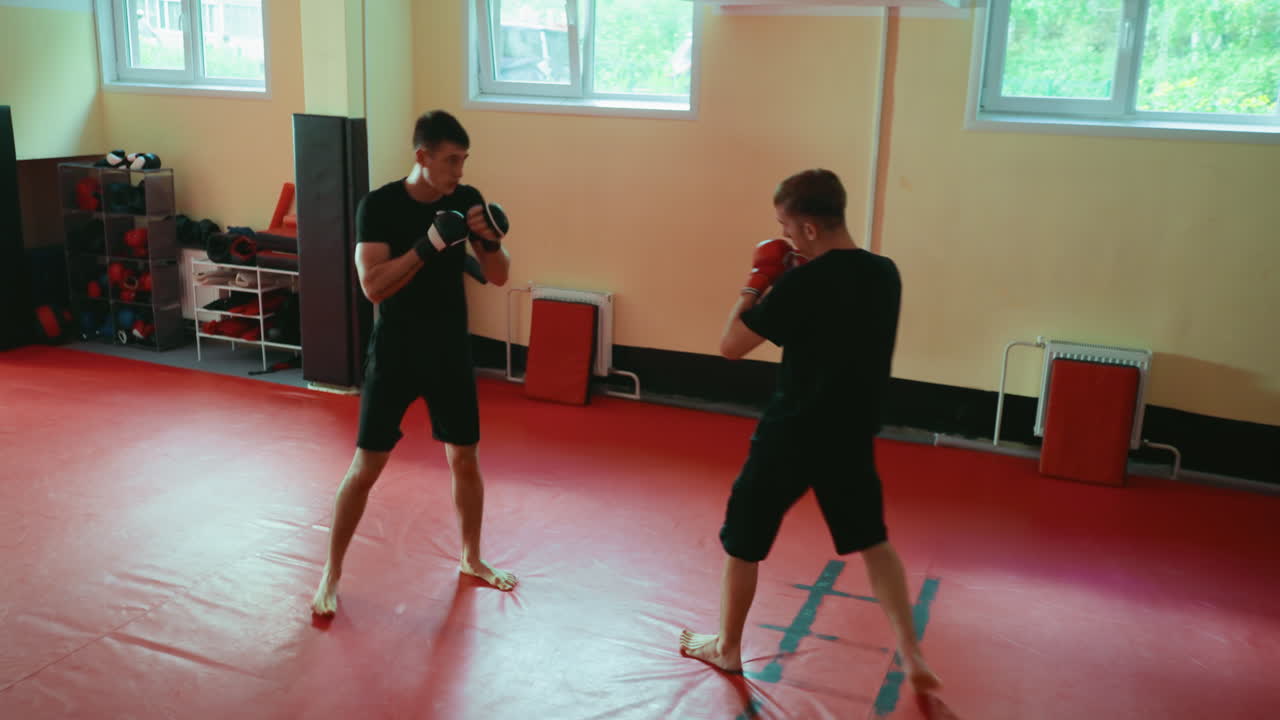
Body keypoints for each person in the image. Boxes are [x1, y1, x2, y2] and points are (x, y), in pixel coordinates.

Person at [678, 169, 940, 694]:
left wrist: (757, 283)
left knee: (744, 538)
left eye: (788, 227)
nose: (786, 236)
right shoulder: (885, 273)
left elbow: (730, 345)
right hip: (852, 432)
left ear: (810, 229)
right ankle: (910, 653)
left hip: (792, 432)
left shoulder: (801, 283)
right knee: (873, 540)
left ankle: (727, 648)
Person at [312, 109, 516, 617]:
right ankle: (330, 573)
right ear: (421, 157)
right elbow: (372, 285)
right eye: (451, 160)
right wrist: (427, 246)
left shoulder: (466, 200)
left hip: (449, 349)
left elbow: (499, 276)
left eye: (464, 160)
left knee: (464, 459)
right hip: (397, 351)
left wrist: (491, 242)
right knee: (366, 466)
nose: (460, 172)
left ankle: (471, 558)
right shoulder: (378, 206)